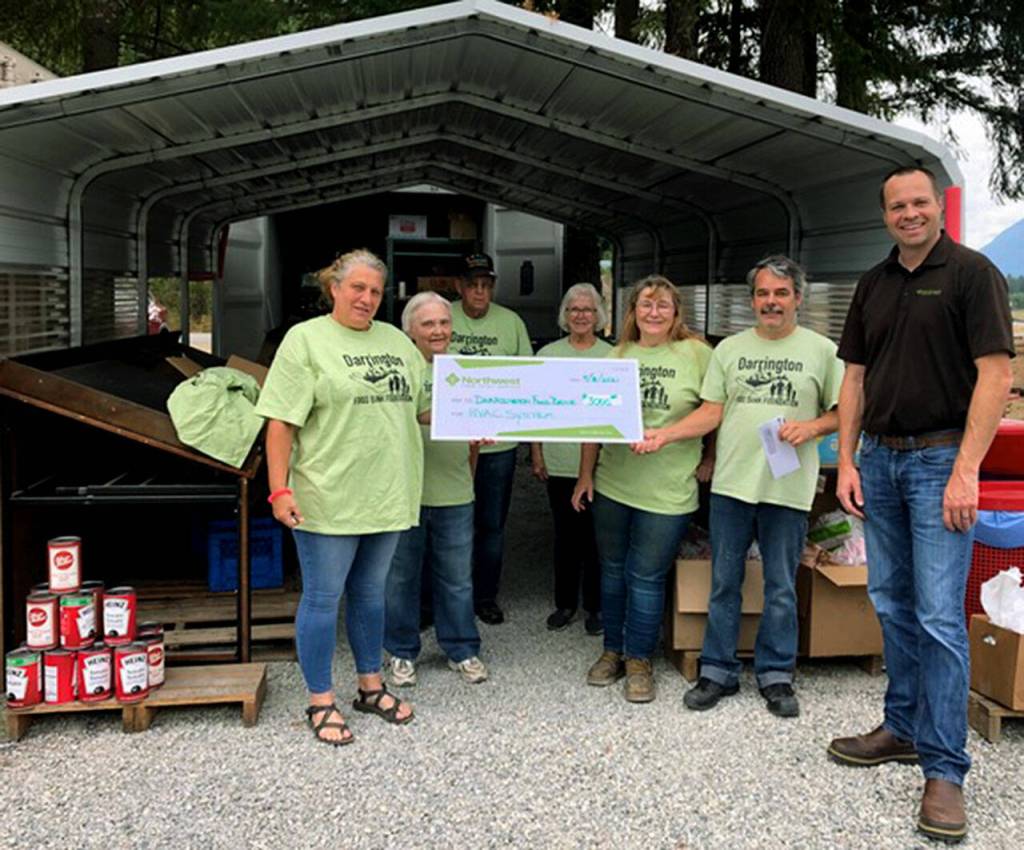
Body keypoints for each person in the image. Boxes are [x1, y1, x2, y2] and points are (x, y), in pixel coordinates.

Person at [828, 166, 1014, 844]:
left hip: (940, 461)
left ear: (939, 207)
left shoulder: (972, 275)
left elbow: (996, 373)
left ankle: (946, 770)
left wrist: (967, 470)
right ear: (884, 215)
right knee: (890, 602)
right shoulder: (873, 284)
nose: (908, 214)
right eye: (897, 206)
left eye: (919, 203)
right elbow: (854, 376)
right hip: (878, 459)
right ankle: (902, 728)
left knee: (938, 616)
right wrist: (847, 458)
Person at [635, 256, 843, 718]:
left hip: (786, 488)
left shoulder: (822, 350)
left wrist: (811, 428)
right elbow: (712, 412)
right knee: (724, 582)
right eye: (764, 294)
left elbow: (844, 411)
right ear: (752, 300)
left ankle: (776, 676)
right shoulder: (729, 349)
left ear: (798, 298)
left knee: (781, 586)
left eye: (781, 293)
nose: (772, 302)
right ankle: (717, 672)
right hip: (732, 486)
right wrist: (665, 434)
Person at [256, 249, 426, 746]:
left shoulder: (397, 340)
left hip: (387, 494)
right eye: (358, 288)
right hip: (326, 496)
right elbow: (281, 422)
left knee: (372, 595)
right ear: (334, 287)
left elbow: (426, 406)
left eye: (375, 291)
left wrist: (480, 421)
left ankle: (370, 687)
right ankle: (320, 700)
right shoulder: (305, 341)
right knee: (324, 597)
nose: (367, 299)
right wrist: (279, 489)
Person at [572, 275, 712, 703]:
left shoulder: (698, 355)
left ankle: (639, 660)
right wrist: (585, 475)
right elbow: (592, 421)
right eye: (645, 305)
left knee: (646, 576)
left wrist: (705, 456)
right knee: (611, 571)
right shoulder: (618, 354)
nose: (654, 313)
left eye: (663, 305)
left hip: (667, 489)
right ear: (632, 312)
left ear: (676, 312)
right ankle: (612, 650)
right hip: (615, 482)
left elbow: (716, 411)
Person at [384, 292, 489, 687]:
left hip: (455, 491)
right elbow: (401, 413)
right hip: (405, 492)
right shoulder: (399, 368)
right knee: (400, 579)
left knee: (457, 578)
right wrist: (448, 415)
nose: (438, 330)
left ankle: (462, 649)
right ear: (410, 330)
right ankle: (401, 652)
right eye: (428, 324)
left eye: (444, 323)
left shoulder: (466, 370)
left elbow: (475, 437)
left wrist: (472, 464)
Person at [450, 253, 533, 625]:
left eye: (486, 284)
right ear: (459, 286)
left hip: (497, 446)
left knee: (491, 525)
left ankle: (485, 596)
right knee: (447, 521)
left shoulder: (511, 322)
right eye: (472, 284)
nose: (479, 290)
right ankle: (442, 596)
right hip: (448, 445)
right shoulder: (441, 315)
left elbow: (527, 378)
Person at [531, 283, 612, 635]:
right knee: (565, 537)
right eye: (574, 309)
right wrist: (536, 451)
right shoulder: (547, 354)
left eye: (588, 310)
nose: (581, 315)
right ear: (565, 315)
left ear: (599, 316)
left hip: (603, 466)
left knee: (597, 538)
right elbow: (533, 408)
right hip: (559, 459)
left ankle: (595, 606)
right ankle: (565, 604)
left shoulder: (614, 356)